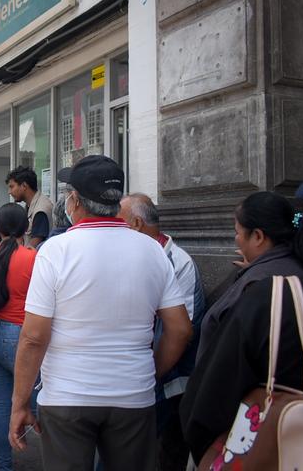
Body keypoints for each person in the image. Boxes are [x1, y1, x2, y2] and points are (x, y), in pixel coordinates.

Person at [9, 155, 192, 471]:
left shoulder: (55, 251)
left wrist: (19, 402)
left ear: (75, 200)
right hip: (133, 397)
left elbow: (34, 337)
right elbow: (180, 329)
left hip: (68, 397)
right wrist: (148, 372)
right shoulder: (152, 250)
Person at [181, 153, 303, 468]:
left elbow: (207, 405)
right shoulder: (272, 285)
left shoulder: (274, 299)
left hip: (292, 452)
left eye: (237, 231)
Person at [119, 193, 206, 471]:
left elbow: (180, 332)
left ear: (135, 223)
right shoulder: (127, 255)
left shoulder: (177, 263)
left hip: (160, 380)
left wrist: (149, 374)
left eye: (117, 221)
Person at [197, 190, 303, 359]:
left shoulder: (259, 285)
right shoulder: (296, 265)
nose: (236, 239)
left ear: (257, 236)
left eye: (237, 232)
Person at [0, 203, 38, 471]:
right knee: (39, 405)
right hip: (21, 336)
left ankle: (5, 466)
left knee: (2, 405)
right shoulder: (32, 257)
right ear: (25, 228)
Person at [5, 166, 53, 248]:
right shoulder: (30, 206)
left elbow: (33, 247)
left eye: (12, 186)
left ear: (24, 185)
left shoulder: (40, 210)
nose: (9, 192)